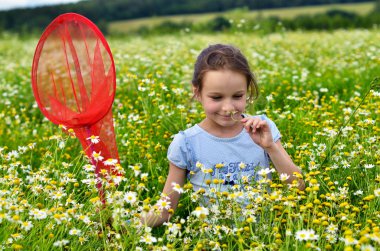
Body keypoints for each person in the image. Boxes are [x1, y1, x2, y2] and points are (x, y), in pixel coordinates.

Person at [141, 44, 305, 227]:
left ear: (248, 91)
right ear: (197, 92)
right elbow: (164, 211)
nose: (228, 108)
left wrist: (270, 147)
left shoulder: (262, 128)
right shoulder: (186, 143)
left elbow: (297, 186)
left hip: (265, 237)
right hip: (214, 242)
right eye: (217, 98)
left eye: (237, 96)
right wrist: (123, 224)